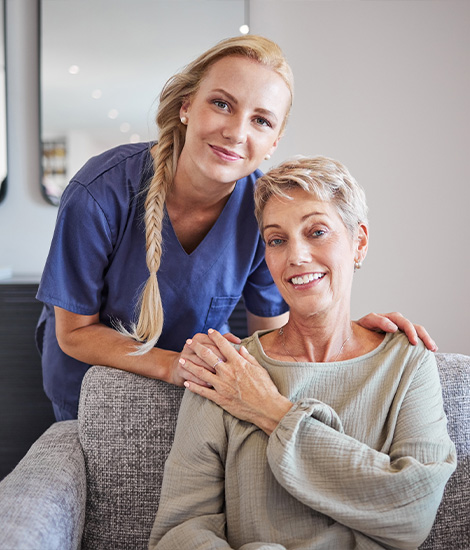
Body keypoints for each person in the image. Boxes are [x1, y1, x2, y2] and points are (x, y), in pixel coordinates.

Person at [36, 35, 436, 421]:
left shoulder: (265, 212)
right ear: (186, 106)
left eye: (261, 120)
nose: (236, 132)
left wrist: (354, 338)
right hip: (95, 390)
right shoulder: (99, 192)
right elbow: (74, 333)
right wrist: (175, 366)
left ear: (274, 141)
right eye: (222, 104)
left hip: (200, 390)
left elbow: (277, 332)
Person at [149, 156, 456, 550]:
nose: (296, 256)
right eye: (277, 240)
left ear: (359, 242)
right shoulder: (225, 369)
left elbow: (414, 511)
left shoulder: (407, 364)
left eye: (317, 232)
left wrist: (270, 410)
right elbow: (178, 532)